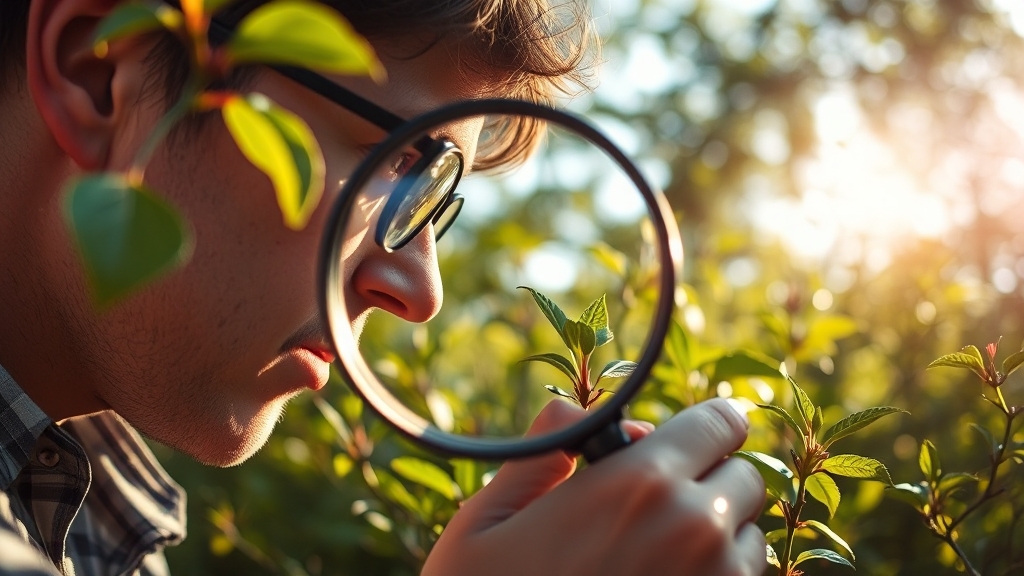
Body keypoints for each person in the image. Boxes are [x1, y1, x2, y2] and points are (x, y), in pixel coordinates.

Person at [0, 0, 768, 574]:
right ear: (99, 75)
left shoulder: (99, 528)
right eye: (397, 160)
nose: (418, 290)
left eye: (436, 204)